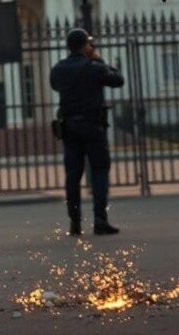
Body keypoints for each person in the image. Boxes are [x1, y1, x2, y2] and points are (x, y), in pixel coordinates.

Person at [49, 28, 124, 237]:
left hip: (69, 127)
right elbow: (118, 80)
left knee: (73, 174)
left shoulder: (58, 69)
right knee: (99, 171)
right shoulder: (94, 67)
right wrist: (99, 60)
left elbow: (55, 86)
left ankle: (74, 222)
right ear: (85, 46)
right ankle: (100, 220)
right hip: (92, 126)